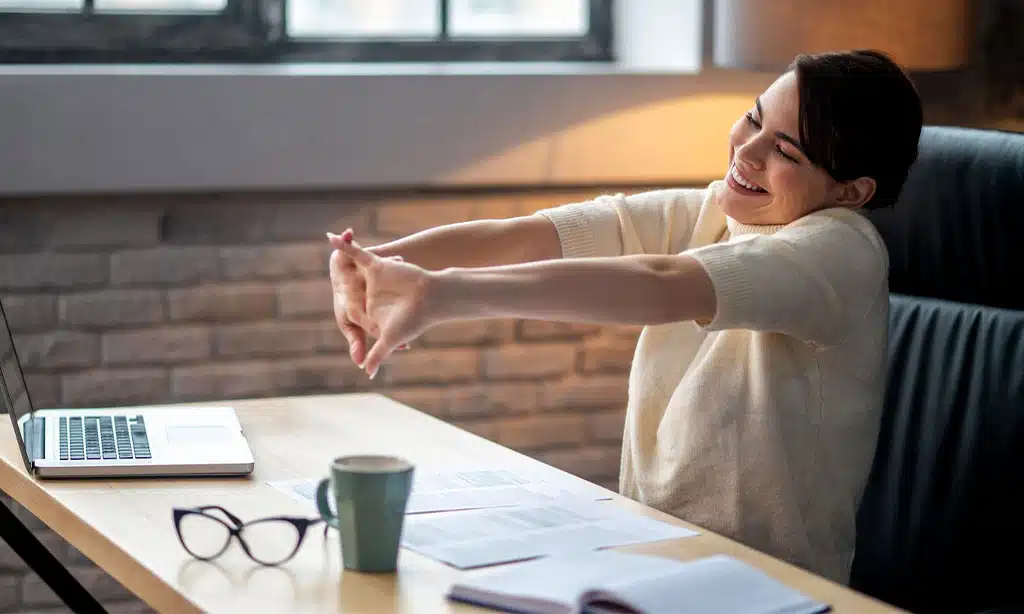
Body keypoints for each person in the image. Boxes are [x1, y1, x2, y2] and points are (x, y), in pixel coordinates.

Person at [327, 48, 923, 585]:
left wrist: (442, 294)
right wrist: (376, 266)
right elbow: (529, 237)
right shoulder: (716, 210)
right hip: (654, 559)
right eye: (753, 117)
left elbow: (663, 283)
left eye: (784, 150)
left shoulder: (842, 251)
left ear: (851, 191)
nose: (747, 150)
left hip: (769, 587)